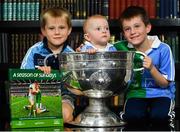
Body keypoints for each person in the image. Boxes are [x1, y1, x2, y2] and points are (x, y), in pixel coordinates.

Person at [114, 6, 175, 130]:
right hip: (136, 94)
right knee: (133, 118)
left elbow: (164, 84)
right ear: (123, 33)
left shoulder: (163, 49)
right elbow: (102, 48)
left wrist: (152, 68)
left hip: (161, 93)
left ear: (147, 27)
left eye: (137, 26)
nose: (132, 32)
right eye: (127, 29)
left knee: (159, 117)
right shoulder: (121, 47)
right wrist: (86, 47)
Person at [20, 7, 78, 123]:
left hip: (64, 97)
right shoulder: (34, 51)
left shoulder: (72, 54)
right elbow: (22, 78)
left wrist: (58, 75)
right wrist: (40, 76)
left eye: (62, 28)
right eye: (51, 28)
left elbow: (77, 84)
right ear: (44, 31)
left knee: (65, 115)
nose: (57, 32)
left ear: (69, 30)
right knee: (30, 111)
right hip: (38, 95)